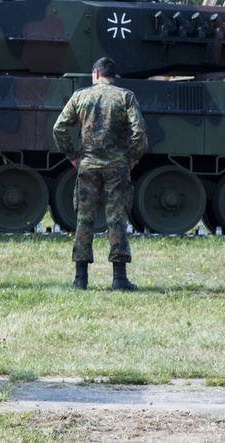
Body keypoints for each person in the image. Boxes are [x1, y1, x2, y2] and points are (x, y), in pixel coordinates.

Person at [52, 57, 148, 291]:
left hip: (88, 165)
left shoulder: (80, 96)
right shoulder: (126, 97)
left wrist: (72, 156)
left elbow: (59, 128)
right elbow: (140, 133)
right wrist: (132, 158)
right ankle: (119, 279)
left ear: (95, 74)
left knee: (84, 219)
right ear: (112, 76)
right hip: (117, 167)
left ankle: (80, 279)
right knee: (117, 218)